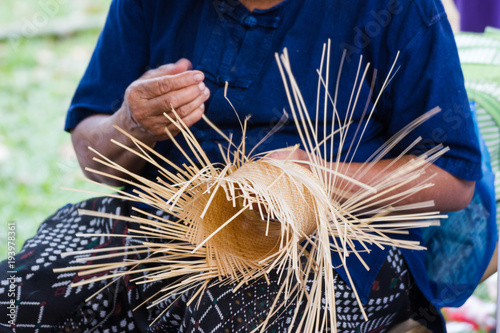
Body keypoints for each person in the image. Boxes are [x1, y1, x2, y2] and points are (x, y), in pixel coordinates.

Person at [0, 0, 484, 332]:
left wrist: (314, 178)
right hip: (164, 217)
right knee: (18, 297)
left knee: (227, 316)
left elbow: (455, 177)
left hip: (336, 239)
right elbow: (92, 155)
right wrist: (132, 122)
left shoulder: (398, 9)